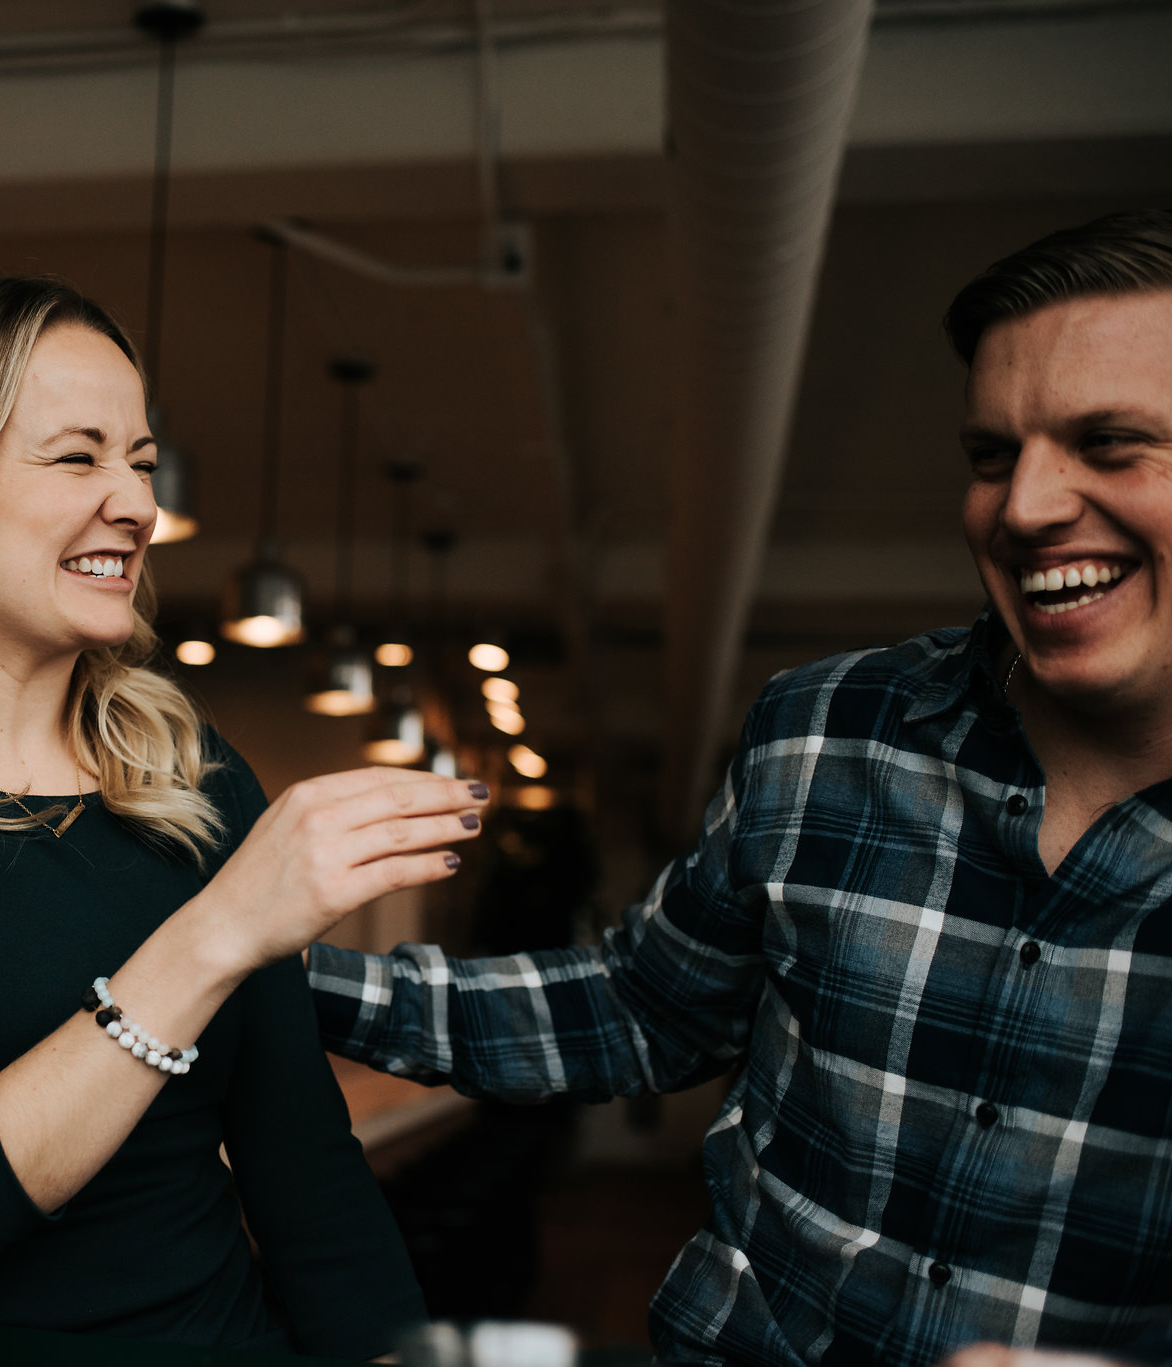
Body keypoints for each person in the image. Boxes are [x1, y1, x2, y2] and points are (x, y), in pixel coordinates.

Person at [308, 208, 1172, 1367]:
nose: (1020, 507)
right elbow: (637, 1007)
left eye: (1109, 443)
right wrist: (261, 965)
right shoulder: (825, 728)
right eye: (987, 456)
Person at [0, 276, 484, 1358]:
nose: (133, 502)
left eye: (140, 459)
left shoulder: (190, 772)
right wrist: (215, 933)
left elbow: (308, 1186)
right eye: (77, 455)